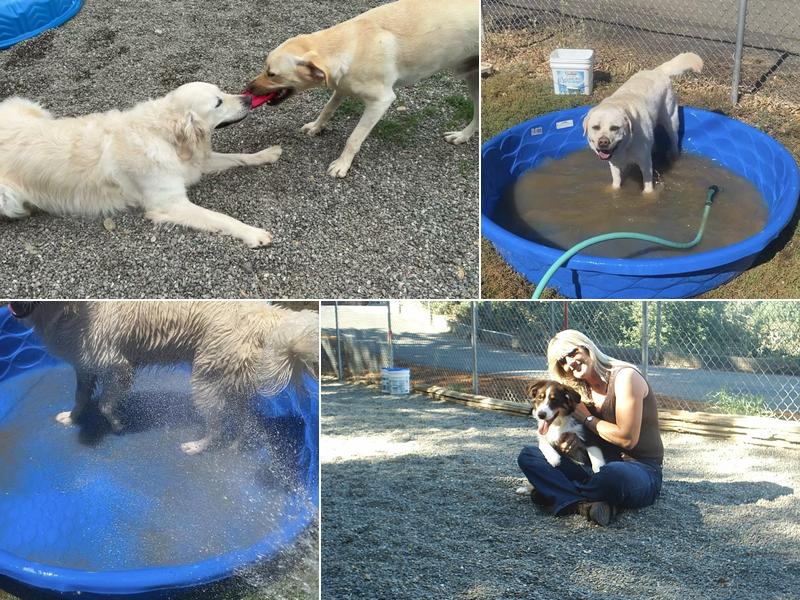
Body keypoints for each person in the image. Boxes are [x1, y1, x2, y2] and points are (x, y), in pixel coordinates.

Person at [517, 329, 664, 526]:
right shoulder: (577, 388)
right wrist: (570, 443)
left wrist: (586, 418)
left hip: (639, 469)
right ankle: (584, 505)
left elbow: (627, 439)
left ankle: (558, 493)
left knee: (613, 475)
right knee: (529, 456)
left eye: (572, 353)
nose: (570, 363)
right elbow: (582, 439)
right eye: (562, 361)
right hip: (593, 466)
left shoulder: (625, 377)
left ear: (587, 348)